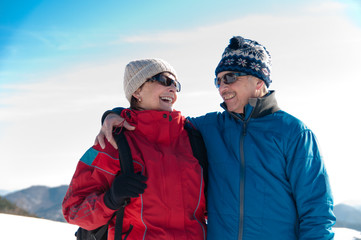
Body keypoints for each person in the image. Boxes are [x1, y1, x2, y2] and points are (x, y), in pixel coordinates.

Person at [96, 36, 336, 239]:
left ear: (259, 80)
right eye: (218, 80)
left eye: (230, 77)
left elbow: (317, 211)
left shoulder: (293, 132)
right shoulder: (208, 127)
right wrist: (115, 114)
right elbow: (158, 122)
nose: (222, 87)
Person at [62, 58, 207, 240]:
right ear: (137, 91)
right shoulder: (112, 143)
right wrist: (110, 199)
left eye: (176, 84)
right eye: (164, 80)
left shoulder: (194, 137)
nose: (172, 88)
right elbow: (73, 210)